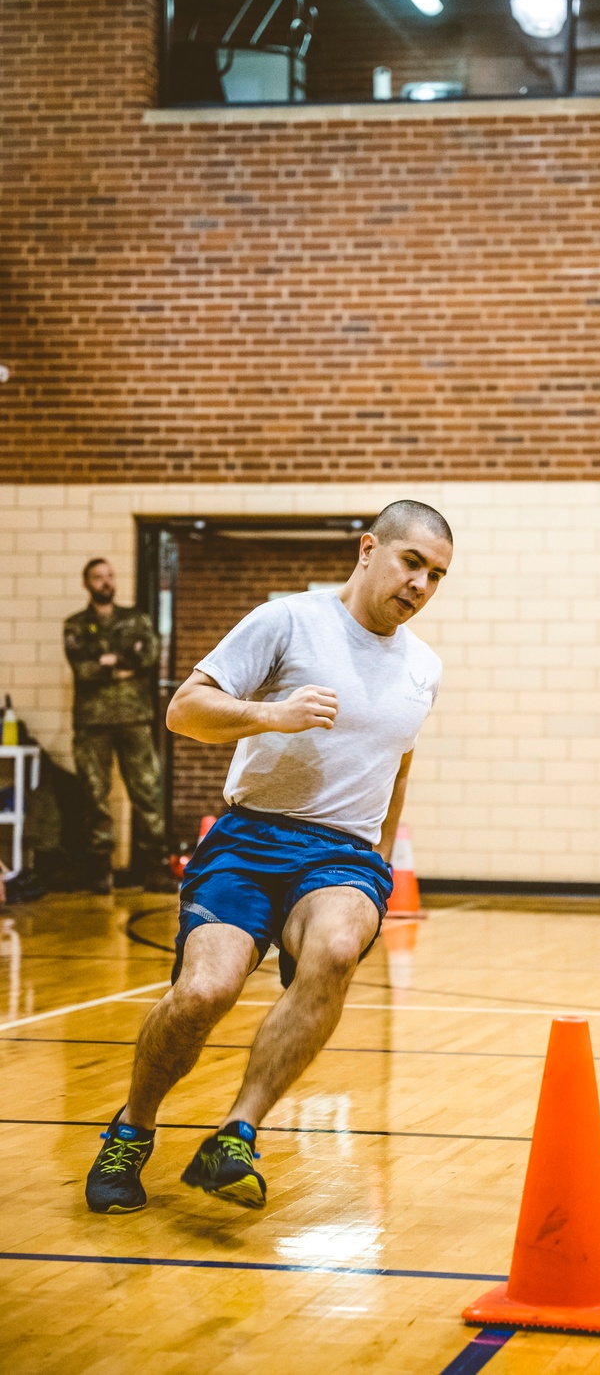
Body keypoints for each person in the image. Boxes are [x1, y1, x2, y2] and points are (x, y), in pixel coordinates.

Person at [85, 500, 452, 1214]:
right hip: (250, 839)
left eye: (437, 576)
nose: (421, 585)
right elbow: (183, 709)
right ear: (369, 549)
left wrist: (378, 854)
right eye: (413, 563)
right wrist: (268, 713)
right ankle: (132, 1129)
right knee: (203, 993)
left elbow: (398, 763)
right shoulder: (287, 620)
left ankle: (237, 1131)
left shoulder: (424, 668)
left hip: (343, 856)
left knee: (338, 948)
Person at [63, 559, 171, 894]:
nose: (106, 582)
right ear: (87, 583)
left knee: (147, 793)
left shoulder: (136, 619)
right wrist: (124, 664)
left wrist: (108, 662)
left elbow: (149, 658)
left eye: (110, 575)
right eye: (98, 577)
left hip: (134, 718)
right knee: (95, 796)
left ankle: (155, 868)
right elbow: (82, 670)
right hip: (92, 722)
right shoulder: (76, 624)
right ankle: (98, 872)